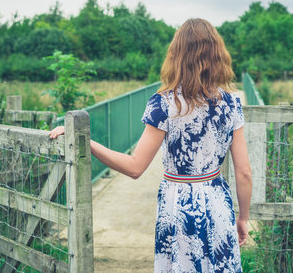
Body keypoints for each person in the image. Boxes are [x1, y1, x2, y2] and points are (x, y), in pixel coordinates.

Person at [49, 18, 252, 272]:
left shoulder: (163, 104)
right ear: (217, 55)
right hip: (217, 203)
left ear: (177, 55)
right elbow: (244, 173)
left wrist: (89, 143)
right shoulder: (231, 104)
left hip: (177, 205)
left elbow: (135, 168)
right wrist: (243, 217)